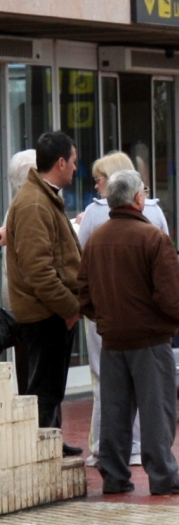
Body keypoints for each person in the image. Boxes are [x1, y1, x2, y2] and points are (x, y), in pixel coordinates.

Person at [78, 170, 179, 495]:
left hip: (112, 339)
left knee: (114, 412)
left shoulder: (96, 240)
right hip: (150, 339)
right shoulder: (153, 238)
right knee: (156, 411)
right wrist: (176, 320)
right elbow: (170, 296)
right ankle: (163, 476)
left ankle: (114, 477)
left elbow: (83, 294)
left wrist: (105, 318)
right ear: (138, 199)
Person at [78, 151, 171, 468]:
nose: (96, 186)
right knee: (152, 394)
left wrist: (96, 314)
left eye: (100, 179)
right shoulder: (155, 220)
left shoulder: (95, 220)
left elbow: (82, 274)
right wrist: (172, 321)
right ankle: (154, 462)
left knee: (109, 390)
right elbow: (169, 282)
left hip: (109, 325)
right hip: (148, 327)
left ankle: (109, 459)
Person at [4, 132, 82, 455]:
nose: (76, 168)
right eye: (73, 161)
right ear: (60, 162)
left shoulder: (43, 197)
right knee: (44, 390)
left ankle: (50, 445)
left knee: (50, 389)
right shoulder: (34, 202)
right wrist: (69, 307)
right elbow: (38, 271)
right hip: (46, 314)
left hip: (52, 312)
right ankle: (41, 453)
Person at [1, 149, 37, 395]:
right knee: (35, 380)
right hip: (27, 306)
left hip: (17, 304)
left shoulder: (15, 208)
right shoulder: (27, 209)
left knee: (30, 377)